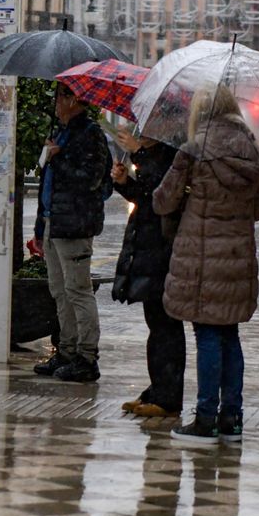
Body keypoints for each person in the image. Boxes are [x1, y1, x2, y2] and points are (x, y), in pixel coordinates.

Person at [153, 84, 259, 446]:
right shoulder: (252, 151)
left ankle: (205, 418)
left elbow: (162, 202)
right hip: (236, 259)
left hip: (202, 258)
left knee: (207, 335)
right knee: (229, 335)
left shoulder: (193, 150)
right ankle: (231, 417)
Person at [29, 82, 111, 383]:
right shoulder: (61, 133)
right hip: (53, 222)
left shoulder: (90, 135)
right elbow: (47, 186)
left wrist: (58, 158)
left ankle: (87, 357)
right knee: (59, 290)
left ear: (75, 100)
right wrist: (40, 224)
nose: (56, 102)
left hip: (75, 224)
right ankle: (65, 350)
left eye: (61, 96)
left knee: (78, 290)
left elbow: (89, 181)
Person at [111, 127, 184, 419]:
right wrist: (124, 182)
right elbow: (144, 197)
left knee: (166, 326)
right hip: (148, 249)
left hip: (163, 250)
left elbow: (162, 196)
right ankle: (157, 389)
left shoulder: (171, 154)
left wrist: (137, 154)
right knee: (156, 324)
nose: (138, 131)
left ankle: (168, 397)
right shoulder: (154, 155)